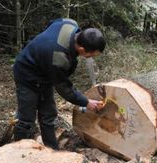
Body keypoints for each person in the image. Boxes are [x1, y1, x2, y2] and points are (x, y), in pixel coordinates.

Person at [12, 18, 106, 149]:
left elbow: (51, 23)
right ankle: (19, 151)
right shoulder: (59, 58)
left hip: (46, 72)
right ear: (81, 48)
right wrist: (86, 102)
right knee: (26, 118)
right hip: (26, 73)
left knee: (48, 114)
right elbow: (64, 89)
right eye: (90, 55)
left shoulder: (69, 23)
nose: (90, 58)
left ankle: (52, 149)